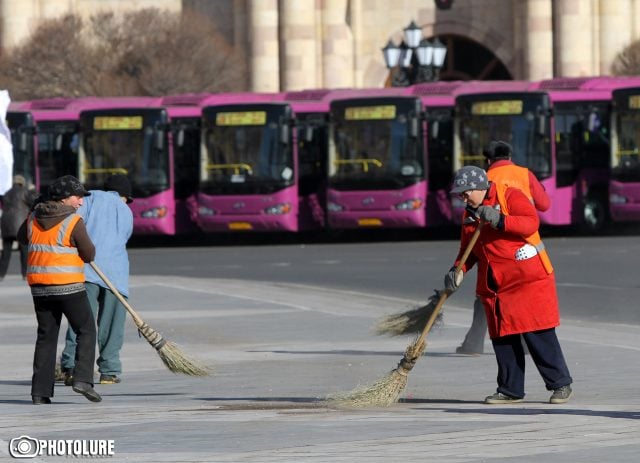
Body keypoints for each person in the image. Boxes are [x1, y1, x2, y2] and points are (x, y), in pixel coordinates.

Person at [445, 165, 573, 404]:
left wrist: (500, 219)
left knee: (538, 333)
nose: (462, 197)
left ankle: (560, 384)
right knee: (503, 338)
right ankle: (510, 390)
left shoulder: (509, 195)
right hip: (495, 285)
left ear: (479, 187)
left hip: (526, 280)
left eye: (465, 192)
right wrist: (457, 270)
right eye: (459, 193)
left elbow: (530, 223)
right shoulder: (469, 214)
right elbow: (468, 250)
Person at [455, 141, 551, 355]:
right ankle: (525, 344)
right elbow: (545, 204)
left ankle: (474, 343)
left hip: (490, 244)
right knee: (519, 297)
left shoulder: (483, 179)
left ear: (488, 161)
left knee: (488, 294)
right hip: (525, 241)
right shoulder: (524, 174)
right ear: (509, 157)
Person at [17, 175, 101, 404]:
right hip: (68, 286)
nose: (80, 202)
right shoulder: (73, 221)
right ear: (65, 198)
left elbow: (21, 238)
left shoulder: (34, 217)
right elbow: (89, 254)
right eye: (78, 197)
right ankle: (82, 379)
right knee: (86, 329)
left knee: (46, 336)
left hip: (40, 289)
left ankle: (39, 393)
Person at [61, 174, 133, 385]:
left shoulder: (90, 198)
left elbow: (74, 223)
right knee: (112, 325)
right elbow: (124, 238)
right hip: (116, 275)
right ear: (125, 196)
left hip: (86, 270)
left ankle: (72, 367)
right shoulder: (126, 210)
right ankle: (109, 371)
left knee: (81, 322)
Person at [0, 175, 37, 281]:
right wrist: (33, 190)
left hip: (6, 224)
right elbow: (34, 202)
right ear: (23, 183)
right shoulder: (25, 191)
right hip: (20, 225)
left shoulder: (7, 193)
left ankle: (1, 274)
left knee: (6, 252)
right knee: (24, 251)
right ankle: (25, 274)